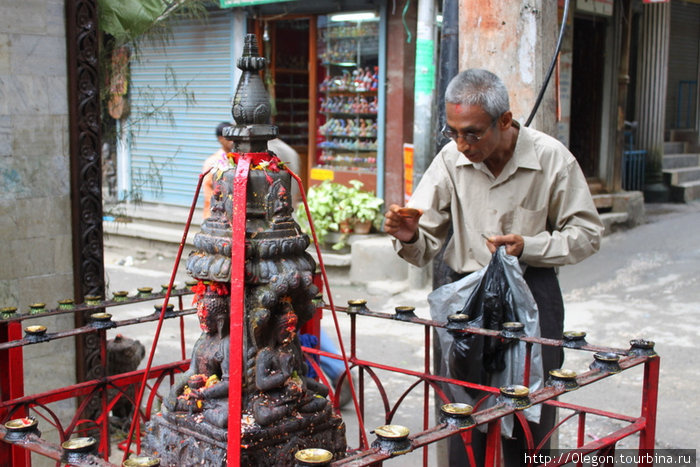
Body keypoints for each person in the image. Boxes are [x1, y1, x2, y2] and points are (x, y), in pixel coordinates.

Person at [384, 69, 604, 465]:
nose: (461, 144)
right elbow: (425, 240)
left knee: (529, 410)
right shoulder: (451, 160)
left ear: (504, 121)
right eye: (453, 132)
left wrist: (530, 246)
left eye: (472, 133)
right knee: (461, 409)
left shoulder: (551, 158)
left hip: (531, 293)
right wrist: (408, 234)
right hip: (467, 295)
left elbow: (587, 233)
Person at [201, 122, 302, 219]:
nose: (232, 142)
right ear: (221, 138)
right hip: (222, 214)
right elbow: (209, 192)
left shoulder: (259, 154)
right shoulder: (215, 161)